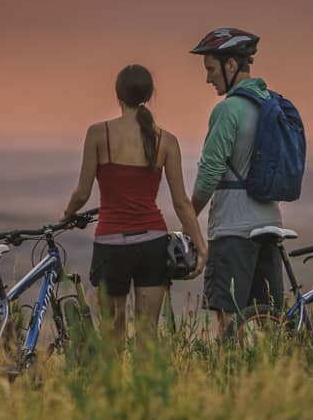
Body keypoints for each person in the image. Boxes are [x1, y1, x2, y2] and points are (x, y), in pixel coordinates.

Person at [63, 65, 207, 344]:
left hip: (111, 245)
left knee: (112, 333)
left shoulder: (97, 134)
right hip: (152, 244)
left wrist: (65, 216)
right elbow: (181, 203)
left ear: (118, 95)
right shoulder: (166, 141)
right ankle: (148, 387)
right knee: (147, 333)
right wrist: (201, 245)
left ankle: (115, 387)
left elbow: (82, 193)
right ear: (149, 95)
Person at [189, 27, 284, 337]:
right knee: (267, 322)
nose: (208, 79)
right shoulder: (272, 105)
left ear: (231, 65)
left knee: (228, 323)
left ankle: (228, 382)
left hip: (233, 229)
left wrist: (189, 216)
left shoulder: (228, 110)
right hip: (269, 225)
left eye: (211, 69)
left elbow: (210, 172)